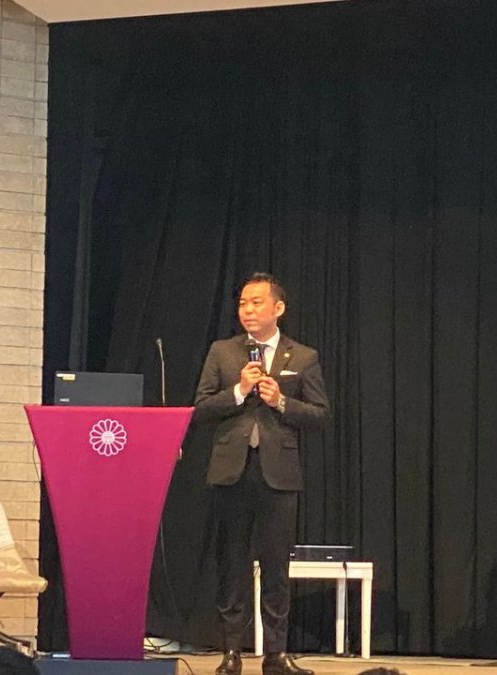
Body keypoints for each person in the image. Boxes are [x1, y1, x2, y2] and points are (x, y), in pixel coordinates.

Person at [194, 273, 330, 675]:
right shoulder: (222, 351)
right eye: (242, 303)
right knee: (231, 566)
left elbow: (321, 415)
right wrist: (238, 391)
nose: (247, 310)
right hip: (231, 471)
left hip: (278, 474)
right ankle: (231, 652)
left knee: (275, 568)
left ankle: (275, 654)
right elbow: (200, 409)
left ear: (278, 308)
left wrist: (282, 402)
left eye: (256, 303)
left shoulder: (302, 357)